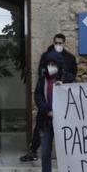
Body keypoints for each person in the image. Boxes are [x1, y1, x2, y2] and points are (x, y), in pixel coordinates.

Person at [20, 33, 77, 162]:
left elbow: (72, 78)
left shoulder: (70, 59)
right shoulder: (44, 75)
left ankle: (69, 156)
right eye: (56, 42)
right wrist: (47, 110)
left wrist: (63, 82)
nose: (58, 45)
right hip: (46, 109)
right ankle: (33, 151)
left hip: (62, 111)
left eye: (60, 43)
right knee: (39, 131)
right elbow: (38, 94)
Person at [33, 50, 74, 172]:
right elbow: (38, 96)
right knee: (45, 152)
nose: (51, 66)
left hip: (63, 122)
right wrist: (47, 111)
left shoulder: (68, 78)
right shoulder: (42, 80)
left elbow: (74, 95)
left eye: (53, 64)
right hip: (47, 120)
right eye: (49, 64)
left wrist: (63, 86)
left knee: (63, 153)